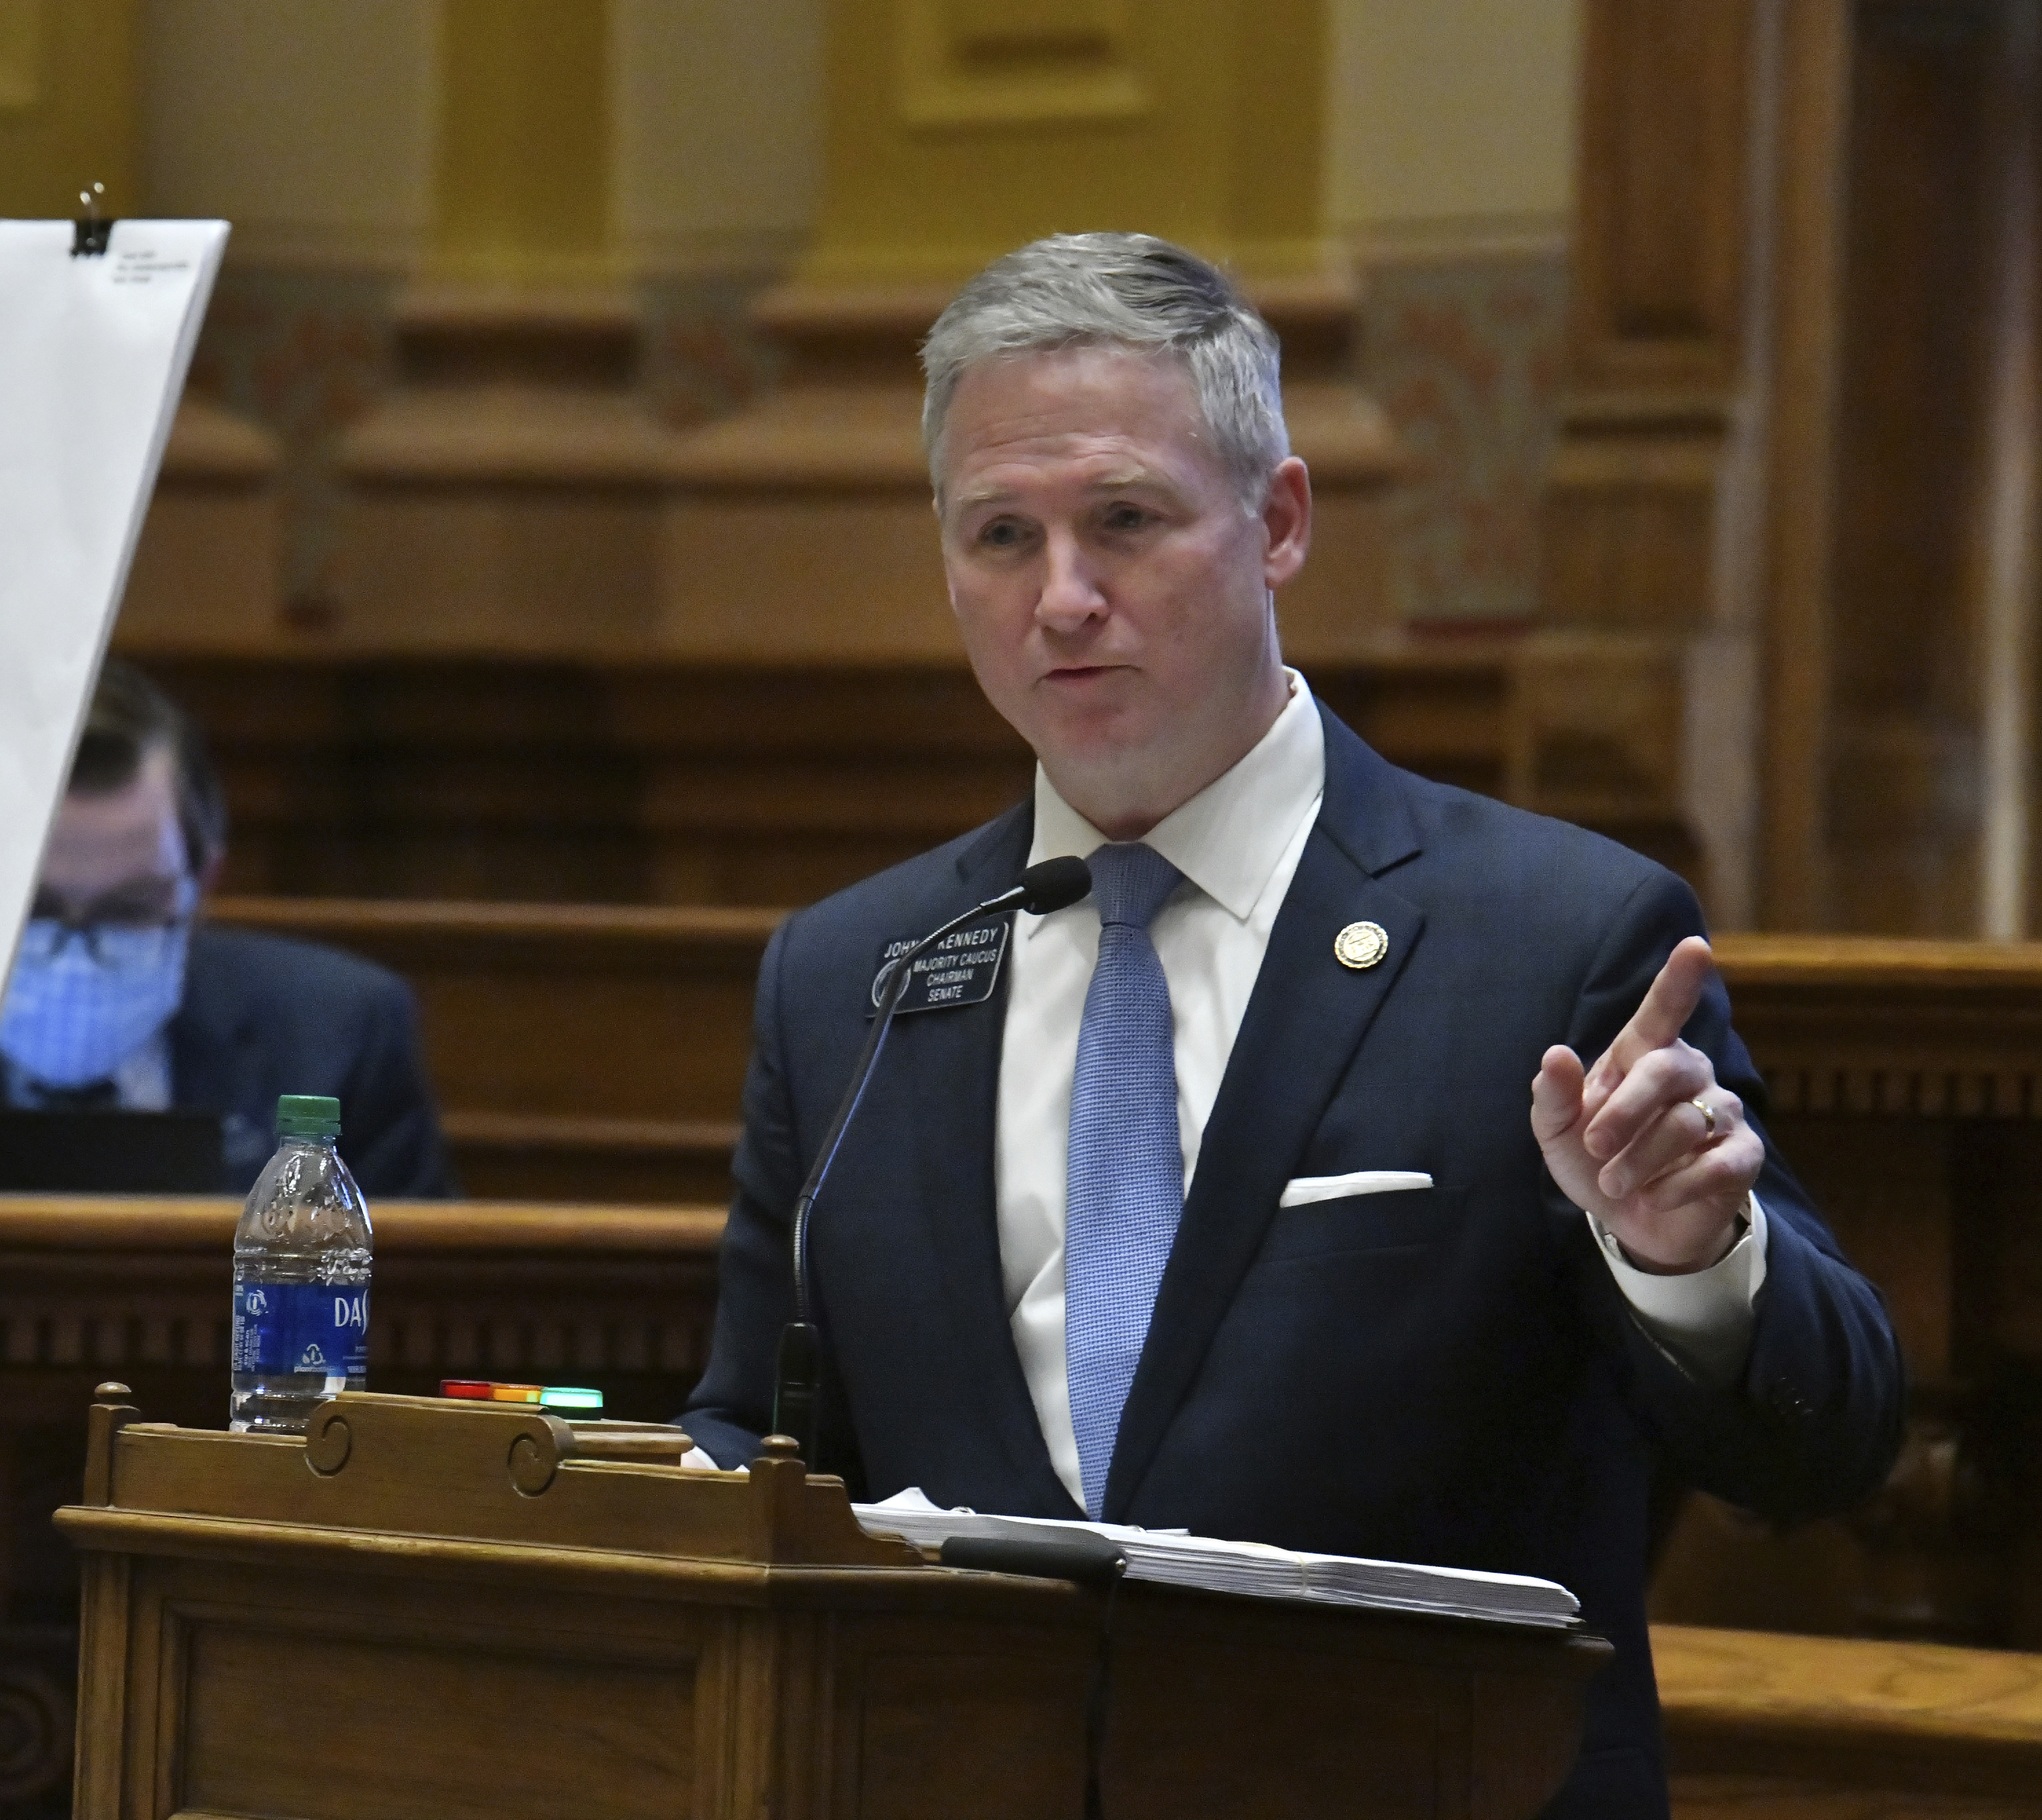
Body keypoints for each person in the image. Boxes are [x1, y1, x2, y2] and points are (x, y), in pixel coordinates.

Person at [676, 234, 1901, 1817]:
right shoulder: (855, 972)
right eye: (1001, 533)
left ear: (1277, 523)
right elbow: (757, 1427)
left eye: (1125, 519)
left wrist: (1689, 1262)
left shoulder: (1554, 939)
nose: (1062, 597)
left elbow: (1826, 1444)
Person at [0, 659, 457, 1198]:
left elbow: (401, 1252)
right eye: (32, 909)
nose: (75, 956)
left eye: (129, 908)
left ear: (204, 883)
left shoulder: (339, 1039)